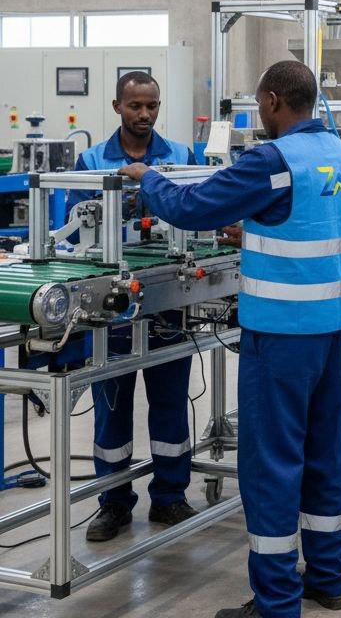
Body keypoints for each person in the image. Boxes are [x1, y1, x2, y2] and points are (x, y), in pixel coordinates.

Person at [119, 60, 341, 618]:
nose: (259, 114)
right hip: (332, 330)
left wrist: (149, 179)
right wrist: (253, 230)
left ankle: (276, 601)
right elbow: (306, 224)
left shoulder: (273, 160)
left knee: (270, 464)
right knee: (322, 454)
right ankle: (330, 577)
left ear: (273, 101)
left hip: (281, 336)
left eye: (259, 104)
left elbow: (189, 207)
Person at [69, 71, 197, 543]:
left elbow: (196, 212)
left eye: (152, 106)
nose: (144, 114)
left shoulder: (181, 155)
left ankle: (169, 496)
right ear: (117, 106)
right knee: (111, 405)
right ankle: (113, 502)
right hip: (111, 303)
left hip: (168, 297)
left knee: (170, 402)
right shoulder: (91, 160)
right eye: (135, 106)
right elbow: (77, 229)